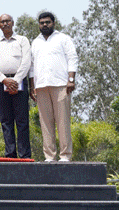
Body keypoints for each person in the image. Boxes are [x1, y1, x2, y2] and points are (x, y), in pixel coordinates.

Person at [29, 12, 77, 162]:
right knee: (45, 123)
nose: (44, 25)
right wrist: (32, 87)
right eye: (42, 22)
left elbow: (72, 58)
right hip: (41, 86)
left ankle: (65, 156)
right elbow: (31, 66)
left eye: (47, 22)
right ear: (39, 24)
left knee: (63, 121)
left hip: (61, 85)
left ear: (53, 23)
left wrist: (71, 79)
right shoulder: (35, 42)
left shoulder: (63, 39)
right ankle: (49, 156)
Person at [0, 14, 32, 159]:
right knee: (6, 121)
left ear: (13, 23)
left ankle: (24, 154)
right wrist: (4, 80)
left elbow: (26, 62)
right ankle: (10, 154)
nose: (5, 24)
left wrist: (16, 80)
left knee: (22, 120)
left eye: (7, 21)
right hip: (1, 83)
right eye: (2, 22)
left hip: (19, 82)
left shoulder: (22, 40)